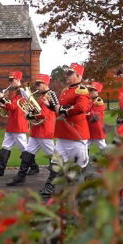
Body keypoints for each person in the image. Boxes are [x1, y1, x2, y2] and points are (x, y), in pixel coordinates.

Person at [40, 63, 91, 198]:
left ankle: (84, 190)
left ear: (78, 76)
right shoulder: (65, 90)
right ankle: (49, 186)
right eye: (67, 73)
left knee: (80, 165)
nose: (66, 76)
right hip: (63, 133)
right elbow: (60, 109)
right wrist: (51, 107)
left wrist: (62, 109)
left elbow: (81, 108)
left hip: (76, 134)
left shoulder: (81, 90)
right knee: (56, 162)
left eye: (69, 73)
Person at [7, 74, 57, 186]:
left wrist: (29, 116)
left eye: (39, 84)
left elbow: (44, 114)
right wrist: (30, 112)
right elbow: (37, 111)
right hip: (36, 130)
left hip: (44, 130)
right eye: (36, 84)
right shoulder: (41, 96)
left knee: (53, 157)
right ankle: (20, 177)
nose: (36, 87)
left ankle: (57, 178)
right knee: (27, 154)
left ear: (45, 84)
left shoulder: (49, 95)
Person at [0, 71, 29, 177]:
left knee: (24, 148)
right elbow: (8, 107)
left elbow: (13, 107)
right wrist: (0, 100)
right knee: (6, 146)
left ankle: (33, 167)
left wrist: (2, 98)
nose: (10, 82)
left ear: (18, 80)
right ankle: (0, 169)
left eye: (12, 80)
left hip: (18, 123)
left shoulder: (22, 91)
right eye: (9, 80)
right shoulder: (15, 91)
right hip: (13, 123)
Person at [86, 81, 107, 152]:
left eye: (92, 90)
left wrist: (86, 114)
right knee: (85, 146)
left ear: (97, 92)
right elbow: (86, 110)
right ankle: (84, 159)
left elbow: (96, 114)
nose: (90, 92)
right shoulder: (91, 101)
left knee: (103, 146)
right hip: (90, 128)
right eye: (90, 90)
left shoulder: (99, 102)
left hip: (97, 128)